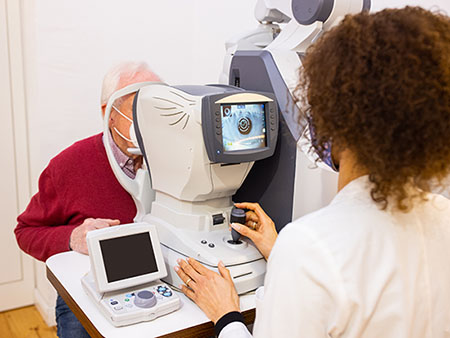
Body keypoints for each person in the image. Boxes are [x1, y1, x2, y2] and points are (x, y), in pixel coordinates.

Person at [174, 7, 450, 337]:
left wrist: (226, 315)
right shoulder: (443, 217)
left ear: (333, 114)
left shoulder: (309, 248)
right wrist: (283, 256)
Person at [14, 61, 161, 338]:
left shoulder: (174, 158)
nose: (148, 118)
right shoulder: (68, 166)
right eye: (137, 106)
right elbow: (25, 232)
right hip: (90, 286)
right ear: (109, 114)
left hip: (157, 279)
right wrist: (72, 238)